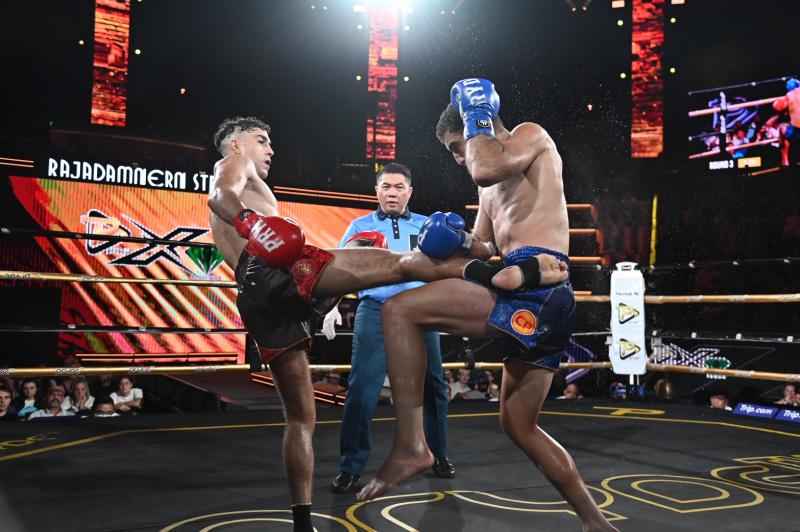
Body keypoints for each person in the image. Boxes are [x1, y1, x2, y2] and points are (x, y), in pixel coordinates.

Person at [206, 116, 567, 531]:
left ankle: (302, 522)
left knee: (301, 419)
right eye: (261, 140)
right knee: (403, 264)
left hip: (258, 299)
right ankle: (516, 274)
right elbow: (220, 195)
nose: (270, 149)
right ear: (237, 144)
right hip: (279, 271)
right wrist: (253, 224)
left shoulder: (252, 180)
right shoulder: (233, 163)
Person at [356, 79, 617, 532]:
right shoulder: (490, 184)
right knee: (519, 425)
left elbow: (483, 166)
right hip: (533, 292)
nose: (458, 159)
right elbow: (485, 243)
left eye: (457, 147)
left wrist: (476, 116)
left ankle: (412, 446)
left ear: (475, 125)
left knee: (400, 310)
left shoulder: (529, 136)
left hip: (536, 284)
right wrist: (456, 239)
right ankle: (597, 524)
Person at [324, 163, 454, 494]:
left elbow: (446, 269)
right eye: (385, 186)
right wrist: (332, 306)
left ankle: (438, 455)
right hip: (376, 310)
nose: (392, 193)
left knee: (434, 385)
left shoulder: (427, 225)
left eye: (398, 187)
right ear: (376, 191)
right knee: (361, 388)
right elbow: (339, 268)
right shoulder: (360, 226)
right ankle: (350, 466)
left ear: (409, 191)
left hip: (422, 310)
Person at [773, 78, 800, 166]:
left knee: (782, 129)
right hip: (796, 128)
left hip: (797, 129)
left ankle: (785, 161)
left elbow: (777, 107)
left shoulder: (789, 95)